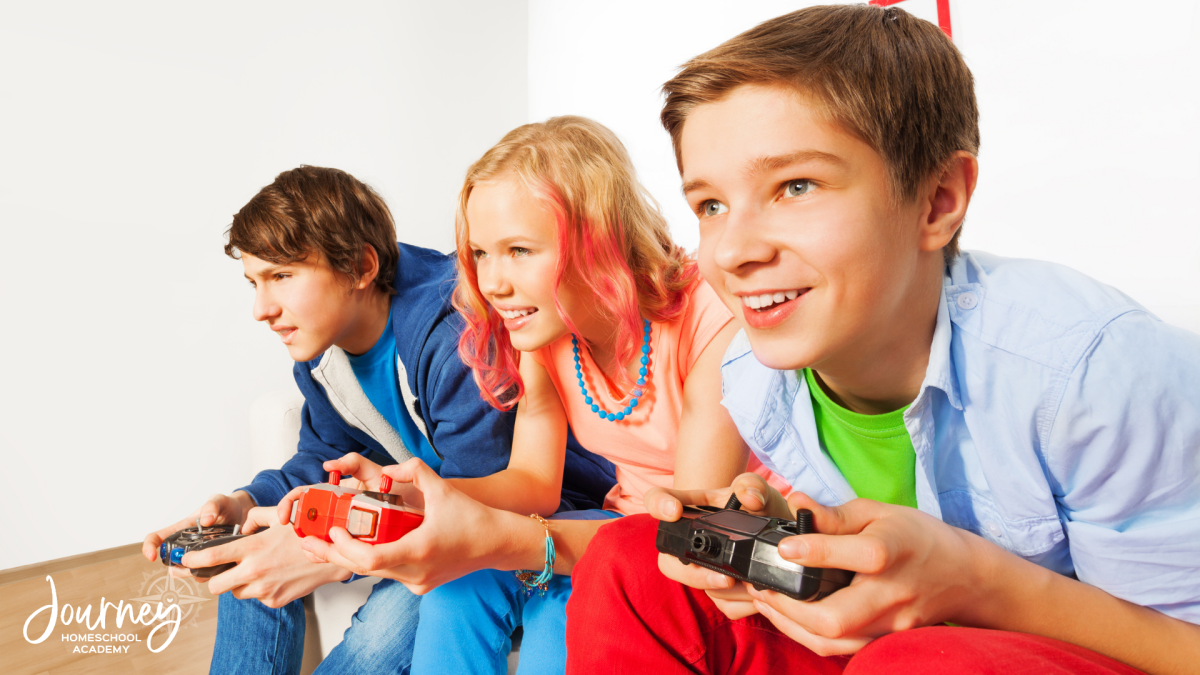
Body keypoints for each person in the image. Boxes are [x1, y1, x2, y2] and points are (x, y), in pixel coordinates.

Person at [563, 5, 1200, 675]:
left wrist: (977, 580)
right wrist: (792, 537)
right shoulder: (755, 373)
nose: (735, 250)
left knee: (915, 660)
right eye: (712, 205)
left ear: (938, 200)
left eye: (795, 186)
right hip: (898, 645)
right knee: (632, 561)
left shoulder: (1091, 374)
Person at [287, 116, 787, 675]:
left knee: (559, 615)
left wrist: (506, 540)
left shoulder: (710, 320)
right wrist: (420, 497)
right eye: (481, 253)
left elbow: (692, 527)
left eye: (519, 250)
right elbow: (534, 484)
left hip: (707, 543)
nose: (493, 282)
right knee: (458, 588)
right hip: (619, 526)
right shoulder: (549, 332)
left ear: (598, 238)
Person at [140, 165, 616, 675]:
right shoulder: (323, 351)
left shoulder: (456, 332)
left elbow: (477, 502)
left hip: (507, 514)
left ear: (362, 267)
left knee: (379, 635)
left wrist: (323, 549)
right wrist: (247, 503)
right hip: (416, 502)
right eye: (254, 282)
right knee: (248, 553)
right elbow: (322, 457)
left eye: (282, 277)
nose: (262, 308)